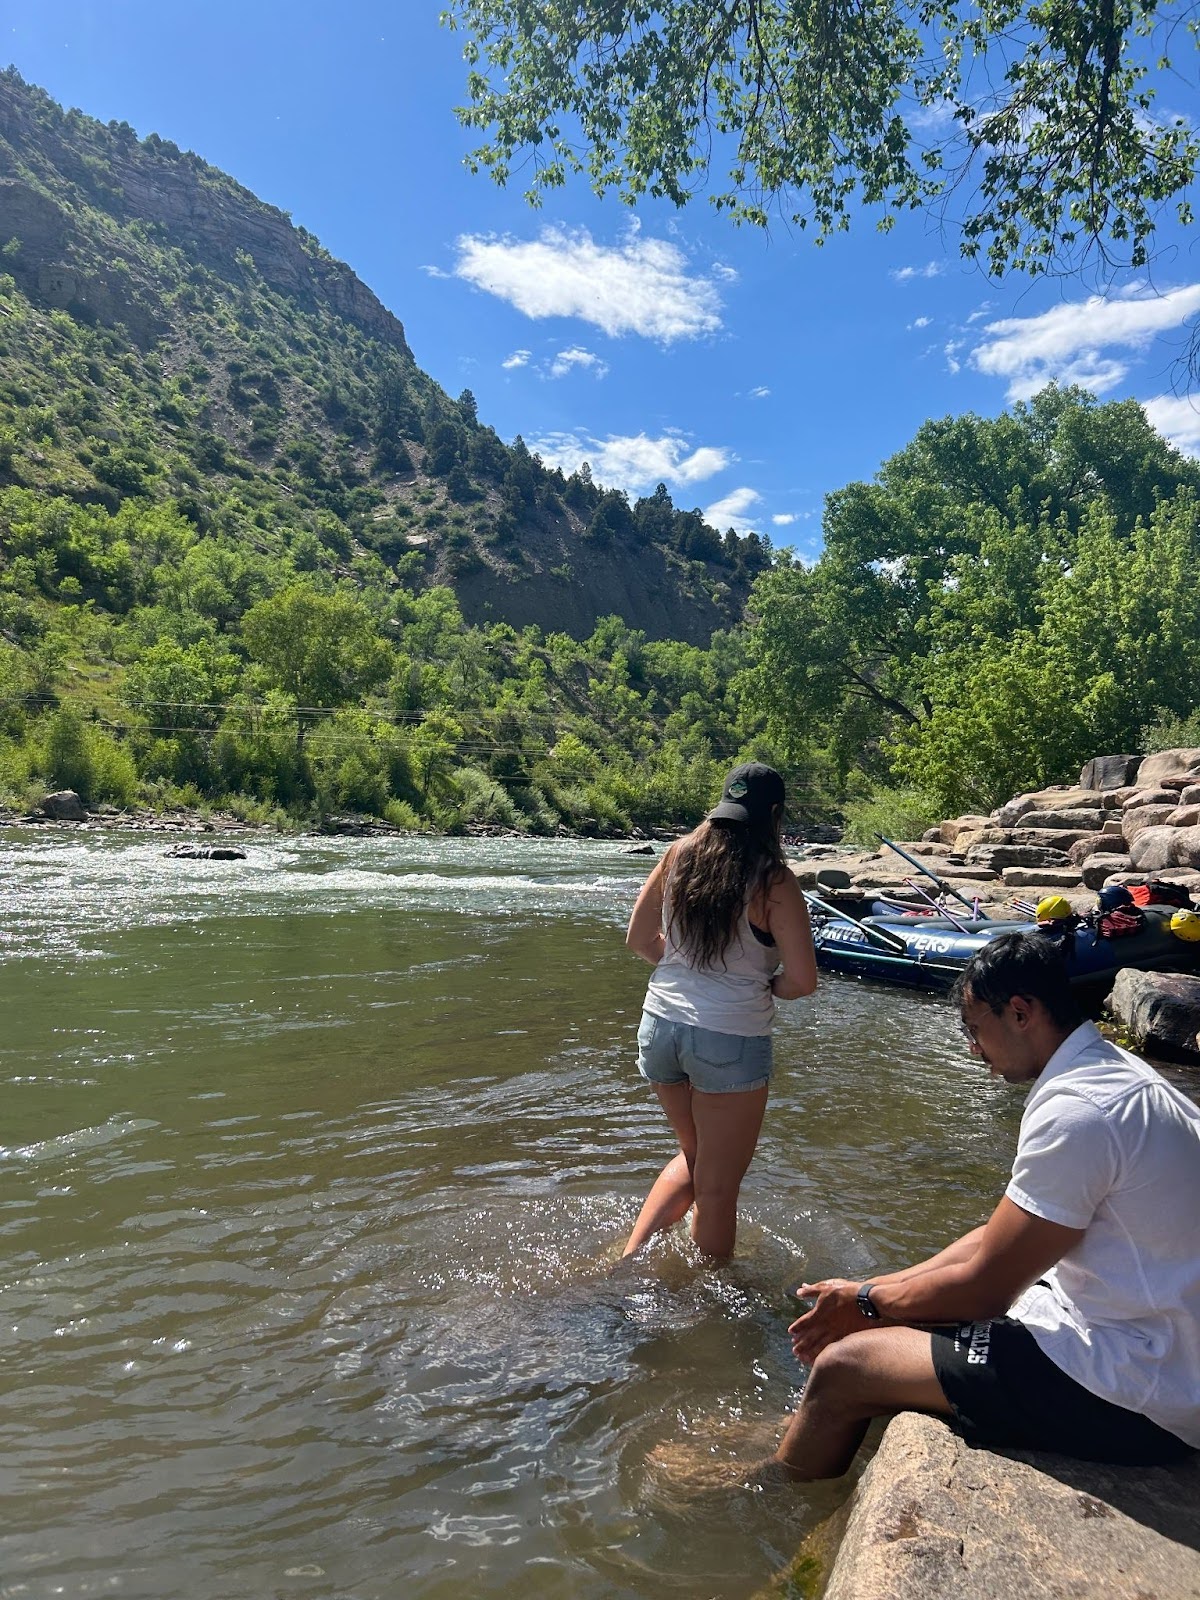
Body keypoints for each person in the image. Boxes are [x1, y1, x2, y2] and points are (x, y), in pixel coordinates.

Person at [772, 931, 1200, 1480]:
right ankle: (807, 1429)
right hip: (1159, 1345)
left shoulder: (1080, 1112)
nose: (975, 1052)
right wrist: (871, 1289)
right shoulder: (1109, 1073)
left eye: (976, 1031)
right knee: (897, 1316)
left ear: (1021, 1013)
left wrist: (869, 1304)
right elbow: (996, 1239)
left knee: (842, 1367)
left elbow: (985, 1289)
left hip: (1143, 1388)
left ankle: (774, 1489)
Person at [623, 762, 818, 1260]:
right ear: (774, 815)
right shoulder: (774, 882)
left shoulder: (678, 855)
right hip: (729, 1037)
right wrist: (765, 982)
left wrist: (683, 968)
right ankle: (707, 1304)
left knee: (698, 1158)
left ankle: (629, 1262)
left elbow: (639, 939)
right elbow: (802, 981)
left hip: (660, 1026)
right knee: (718, 1185)